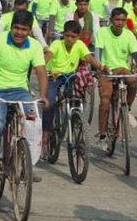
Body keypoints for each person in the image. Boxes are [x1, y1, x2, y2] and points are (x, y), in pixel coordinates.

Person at [0, 10, 49, 179]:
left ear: (29, 31)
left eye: (24, 29)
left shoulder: (34, 46)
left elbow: (41, 72)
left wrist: (43, 95)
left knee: (33, 121)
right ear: (11, 27)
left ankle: (28, 165)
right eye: (16, 28)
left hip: (20, 92)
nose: (20, 33)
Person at [43, 20, 103, 153]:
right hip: (54, 76)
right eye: (67, 35)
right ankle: (45, 137)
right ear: (63, 34)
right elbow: (49, 55)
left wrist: (100, 67)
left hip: (70, 76)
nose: (69, 39)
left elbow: (88, 57)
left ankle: (76, 118)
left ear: (78, 36)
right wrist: (42, 65)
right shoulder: (57, 44)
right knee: (50, 104)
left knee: (76, 97)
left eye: (73, 36)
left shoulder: (80, 45)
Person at [95, 8, 137, 140]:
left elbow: (135, 53)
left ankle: (127, 107)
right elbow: (98, 52)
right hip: (106, 71)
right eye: (117, 20)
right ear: (111, 20)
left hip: (122, 69)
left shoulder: (129, 35)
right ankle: (102, 134)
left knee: (132, 82)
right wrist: (99, 67)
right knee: (105, 102)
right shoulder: (102, 32)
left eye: (123, 20)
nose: (120, 23)